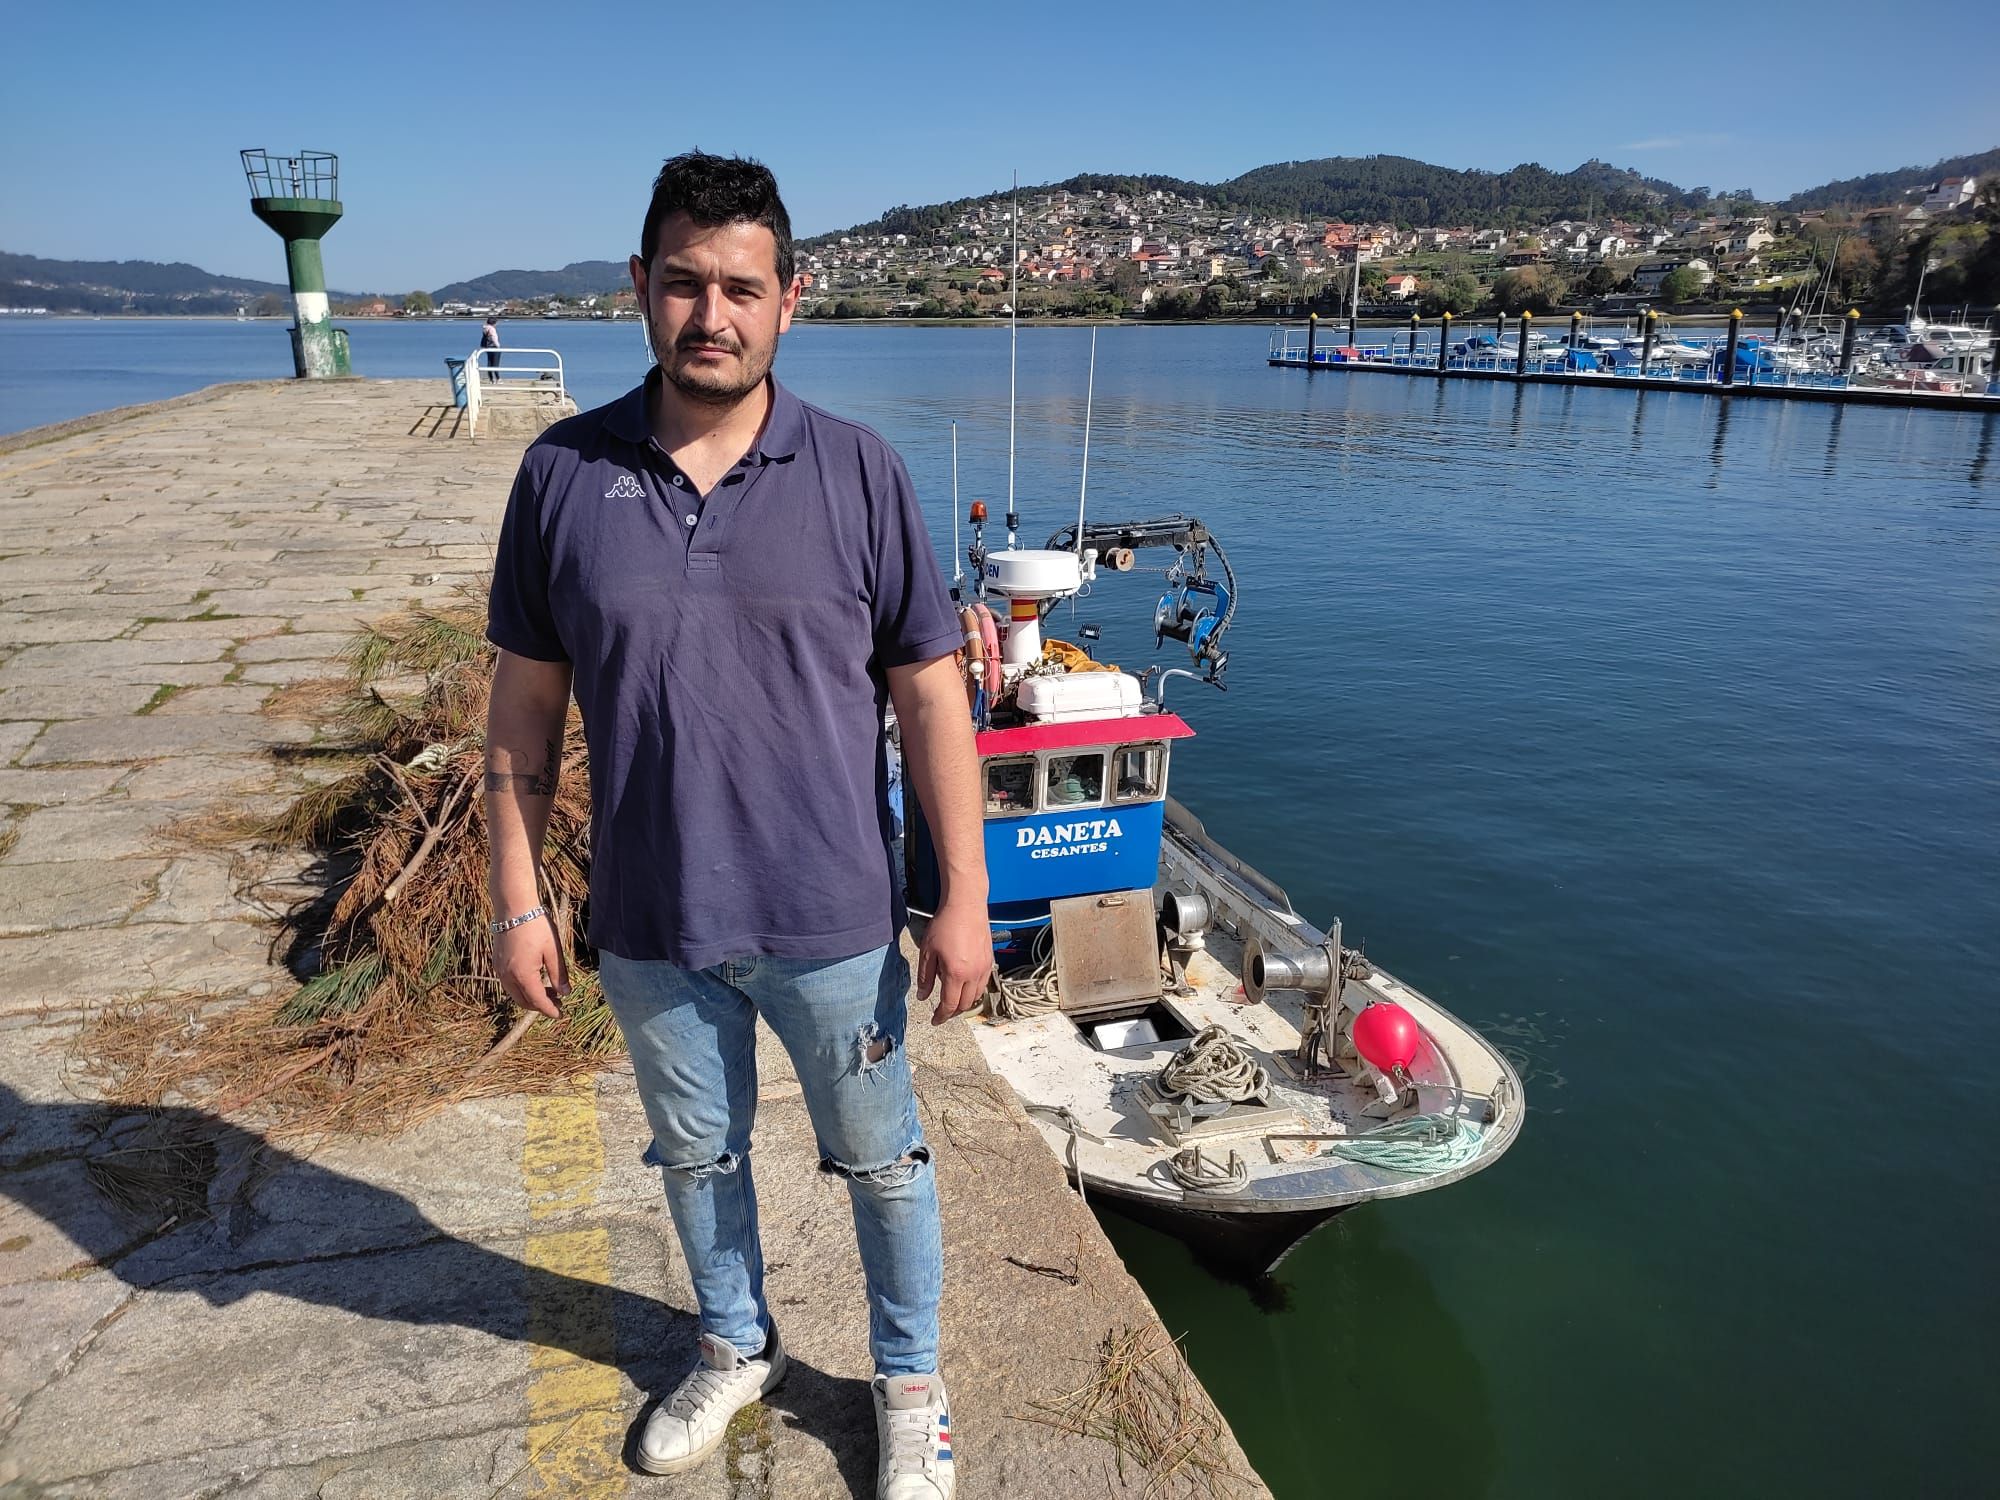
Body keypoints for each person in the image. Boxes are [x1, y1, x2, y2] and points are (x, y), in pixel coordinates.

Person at [483, 151, 988, 1499]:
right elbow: (523, 713)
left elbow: (935, 697)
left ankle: (911, 1385)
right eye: (687, 282)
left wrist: (964, 896)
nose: (715, 313)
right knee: (695, 1156)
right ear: (640, 287)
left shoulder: (860, 473)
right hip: (651, 921)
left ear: (789, 301)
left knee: (883, 1167)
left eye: (743, 288)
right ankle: (733, 1342)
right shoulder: (560, 476)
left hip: (833, 921)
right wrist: (518, 897)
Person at [480, 313, 501, 381]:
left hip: (488, 347)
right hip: (494, 347)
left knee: (489, 362)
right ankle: (498, 378)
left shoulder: (485, 328)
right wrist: (498, 346)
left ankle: (491, 378)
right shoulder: (492, 329)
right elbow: (494, 338)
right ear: (494, 323)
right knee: (495, 363)